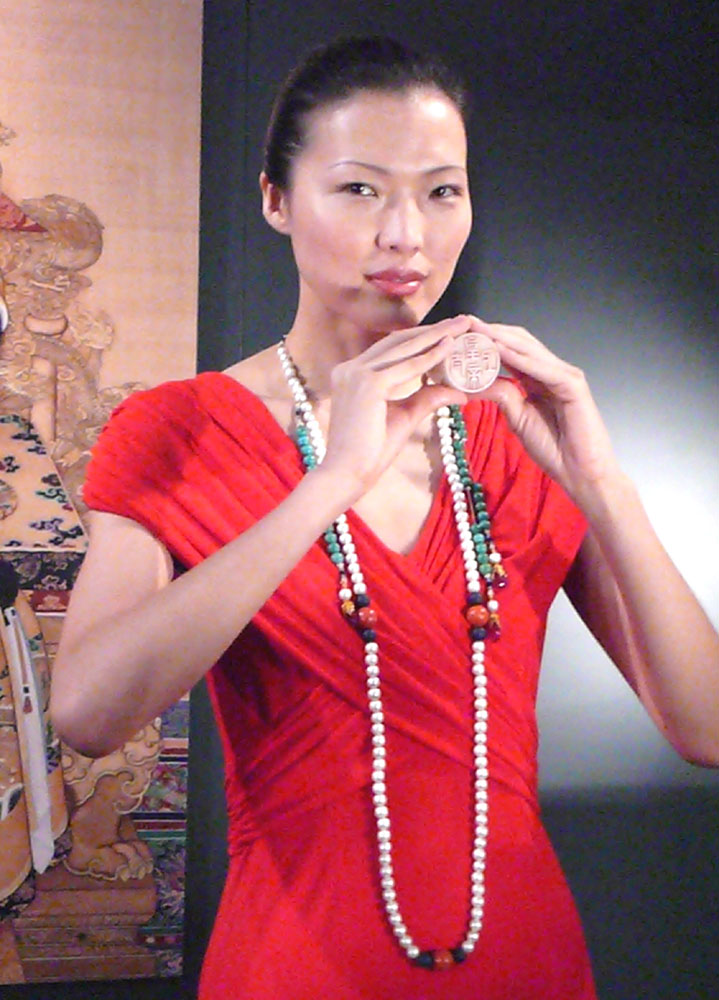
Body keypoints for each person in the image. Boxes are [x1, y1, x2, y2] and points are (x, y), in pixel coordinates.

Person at [49, 36, 719, 999]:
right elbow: (88, 716)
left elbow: (702, 728)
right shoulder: (180, 430)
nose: (406, 233)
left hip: (525, 959)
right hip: (296, 964)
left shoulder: (514, 436)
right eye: (360, 189)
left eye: (441, 191)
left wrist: (600, 482)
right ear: (276, 200)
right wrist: (330, 483)